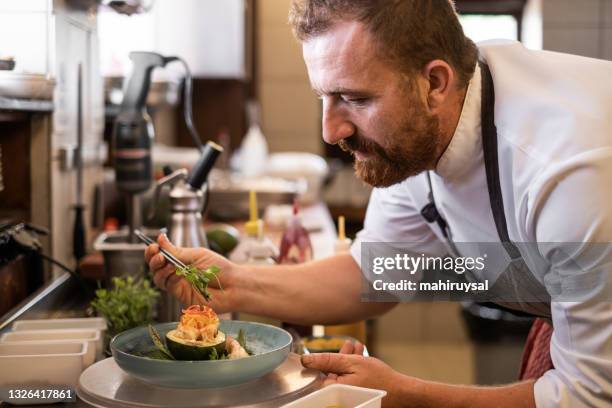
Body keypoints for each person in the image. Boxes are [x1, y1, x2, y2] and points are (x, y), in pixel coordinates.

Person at [145, 1, 612, 406]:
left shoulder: (567, 173)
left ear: (434, 83)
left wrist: (404, 394)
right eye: (324, 97)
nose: (332, 131)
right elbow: (380, 273)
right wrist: (236, 283)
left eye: (354, 99)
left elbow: (587, 397)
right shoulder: (414, 139)